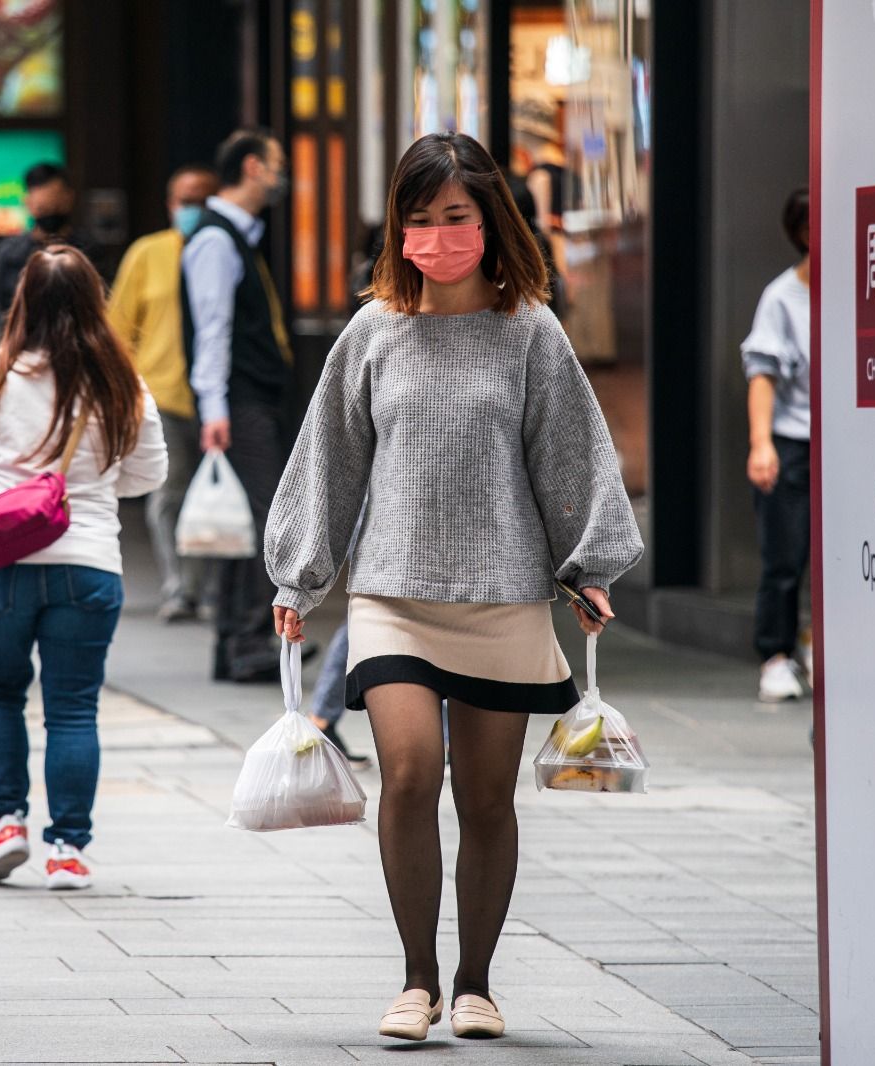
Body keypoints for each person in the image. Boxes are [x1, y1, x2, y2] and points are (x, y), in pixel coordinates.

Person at [266, 132, 642, 1042]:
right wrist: (299, 574)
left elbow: (569, 459)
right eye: (420, 219)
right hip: (391, 593)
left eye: (455, 217)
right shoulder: (371, 332)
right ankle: (417, 979)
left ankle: (476, 981)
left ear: (489, 222)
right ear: (398, 230)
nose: (437, 235)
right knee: (407, 774)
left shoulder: (530, 334)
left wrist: (585, 567)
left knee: (484, 799)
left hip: (504, 596)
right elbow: (330, 460)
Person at [0, 246, 167, 892]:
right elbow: (150, 474)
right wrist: (95, 484)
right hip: (88, 563)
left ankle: (6, 822)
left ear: (21, 300)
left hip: (1, 560)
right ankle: (69, 850)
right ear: (95, 302)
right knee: (73, 708)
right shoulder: (120, 381)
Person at [181, 129, 294, 682]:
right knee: (260, 521)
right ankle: (247, 640)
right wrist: (215, 410)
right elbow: (212, 329)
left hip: (244, 399)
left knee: (246, 523)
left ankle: (236, 643)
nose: (281, 176)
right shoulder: (216, 240)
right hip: (239, 401)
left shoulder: (233, 237)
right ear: (253, 167)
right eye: (276, 165)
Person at [107, 162, 219, 622]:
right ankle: (180, 588)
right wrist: (127, 391)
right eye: (182, 201)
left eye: (200, 201)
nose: (189, 209)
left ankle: (204, 588)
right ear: (170, 205)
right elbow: (118, 328)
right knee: (170, 494)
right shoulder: (147, 253)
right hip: (162, 394)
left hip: (216, 400)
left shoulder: (228, 250)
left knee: (212, 497)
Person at [743, 188, 812, 702]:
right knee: (784, 557)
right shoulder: (782, 297)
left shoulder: (867, 283)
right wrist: (761, 443)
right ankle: (776, 655)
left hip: (847, 446)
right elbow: (762, 373)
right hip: (793, 439)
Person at [0, 162, 98, 316]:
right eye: (43, 209)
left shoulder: (89, 251)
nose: (50, 214)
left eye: (55, 207)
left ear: (69, 198)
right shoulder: (9, 254)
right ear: (28, 204)